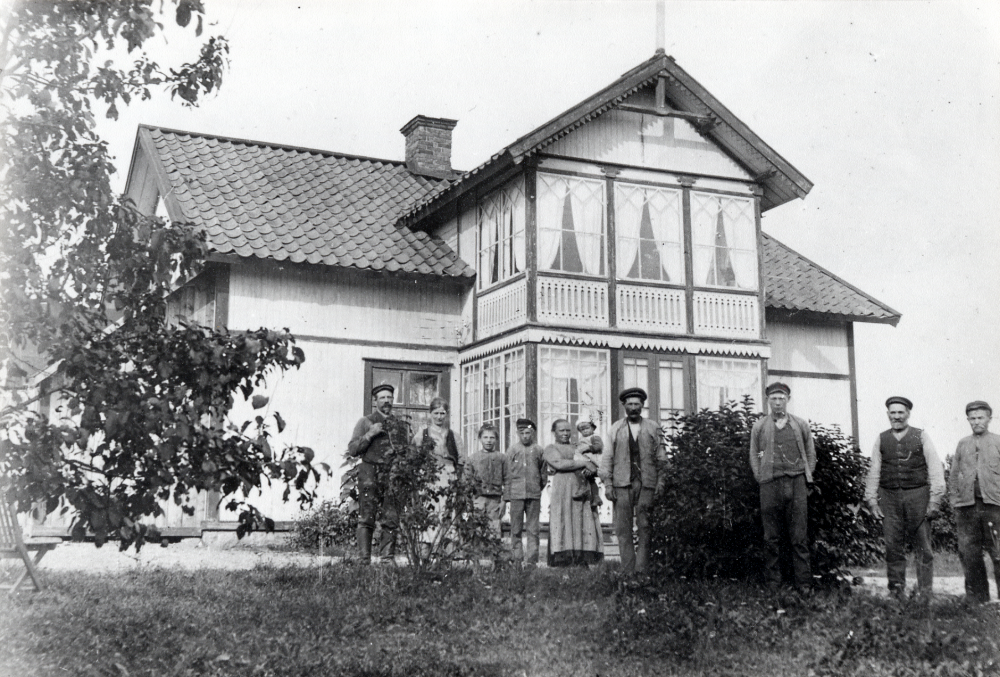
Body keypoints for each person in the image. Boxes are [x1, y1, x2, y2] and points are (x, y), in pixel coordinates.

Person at [863, 396, 945, 598]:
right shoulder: (881, 438)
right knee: (893, 546)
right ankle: (896, 590)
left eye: (901, 412)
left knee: (923, 546)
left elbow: (935, 468)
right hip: (889, 498)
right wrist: (872, 500)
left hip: (918, 496)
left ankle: (925, 592)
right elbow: (874, 471)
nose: (897, 417)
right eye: (893, 413)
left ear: (908, 414)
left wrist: (935, 500)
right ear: (888, 414)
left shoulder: (921, 436)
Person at [749, 382, 816, 593]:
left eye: (781, 398)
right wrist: (761, 476)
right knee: (771, 537)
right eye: (773, 399)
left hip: (796, 483)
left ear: (788, 400)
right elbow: (754, 454)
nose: (777, 403)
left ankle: (804, 585)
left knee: (799, 537)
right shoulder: (760, 426)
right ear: (768, 400)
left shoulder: (800, 425)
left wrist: (807, 475)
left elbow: (810, 453)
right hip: (770, 483)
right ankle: (773, 585)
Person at [599, 387, 666, 575]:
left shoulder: (653, 427)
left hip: (647, 483)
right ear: (624, 406)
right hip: (622, 484)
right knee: (623, 528)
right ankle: (628, 571)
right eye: (630, 404)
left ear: (643, 405)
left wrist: (661, 482)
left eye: (637, 404)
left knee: (645, 526)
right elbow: (607, 458)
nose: (634, 408)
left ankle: (642, 570)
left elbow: (662, 457)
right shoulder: (616, 428)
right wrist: (608, 484)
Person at [347, 383, 405, 564]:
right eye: (382, 398)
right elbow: (353, 449)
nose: (386, 401)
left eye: (389, 397)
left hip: (392, 475)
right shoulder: (365, 422)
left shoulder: (400, 425)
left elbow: (406, 452)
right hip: (369, 473)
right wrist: (370, 434)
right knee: (366, 516)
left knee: (391, 517)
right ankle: (364, 560)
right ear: (375, 401)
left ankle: (386, 560)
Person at [950, 400, 1000, 604]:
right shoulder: (963, 444)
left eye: (981, 417)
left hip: (995, 507)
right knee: (969, 553)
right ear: (968, 420)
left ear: (989, 418)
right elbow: (953, 475)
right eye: (973, 418)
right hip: (967, 508)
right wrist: (955, 499)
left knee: (998, 552)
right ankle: (977, 597)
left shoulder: (998, 441)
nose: (977, 421)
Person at [545, 419, 604, 567]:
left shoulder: (578, 447)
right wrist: (584, 463)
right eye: (561, 431)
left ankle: (581, 558)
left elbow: (594, 462)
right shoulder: (551, 448)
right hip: (562, 489)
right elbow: (560, 463)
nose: (565, 434)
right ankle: (563, 558)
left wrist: (591, 468)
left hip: (581, 487)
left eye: (568, 430)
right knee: (564, 518)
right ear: (554, 432)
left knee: (582, 519)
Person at [411, 397, 463, 554]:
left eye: (443, 413)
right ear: (430, 413)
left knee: (448, 513)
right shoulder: (422, 434)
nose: (439, 417)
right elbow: (413, 456)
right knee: (431, 512)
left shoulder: (453, 436)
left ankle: (446, 553)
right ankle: (426, 551)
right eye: (436, 413)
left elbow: (461, 460)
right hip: (430, 477)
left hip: (449, 476)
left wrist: (459, 479)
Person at [503, 418, 546, 567]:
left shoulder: (539, 450)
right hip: (516, 494)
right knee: (516, 528)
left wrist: (536, 488)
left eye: (528, 433)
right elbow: (507, 474)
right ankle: (517, 559)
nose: (525, 436)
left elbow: (543, 474)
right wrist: (507, 495)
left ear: (533, 433)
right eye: (522, 433)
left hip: (533, 495)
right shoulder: (512, 450)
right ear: (518, 433)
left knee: (533, 529)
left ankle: (532, 561)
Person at [467, 423, 505, 539]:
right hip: (478, 499)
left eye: (492, 437)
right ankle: (477, 555)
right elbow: (467, 481)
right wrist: (469, 503)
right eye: (485, 437)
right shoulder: (473, 458)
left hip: (495, 500)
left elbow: (508, 480)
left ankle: (492, 555)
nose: (488, 441)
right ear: (480, 439)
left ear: (497, 439)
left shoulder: (502, 458)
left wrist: (504, 501)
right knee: (477, 529)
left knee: (493, 529)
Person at [574, 420, 604, 509]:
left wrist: (587, 448)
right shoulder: (581, 439)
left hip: (592, 460)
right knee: (590, 480)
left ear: (593, 428)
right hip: (586, 460)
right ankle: (596, 497)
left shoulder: (595, 437)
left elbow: (599, 446)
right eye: (582, 430)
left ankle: (583, 488)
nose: (585, 431)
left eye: (587, 428)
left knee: (582, 473)